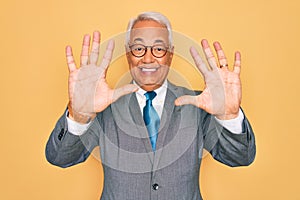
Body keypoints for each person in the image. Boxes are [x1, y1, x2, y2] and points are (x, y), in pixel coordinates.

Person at [45, 11, 256, 200]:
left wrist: (230, 116)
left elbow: (241, 157)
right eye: (138, 48)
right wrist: (78, 115)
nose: (148, 58)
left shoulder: (200, 105)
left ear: (171, 54)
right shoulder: (101, 107)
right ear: (128, 54)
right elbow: (60, 158)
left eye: (158, 49)